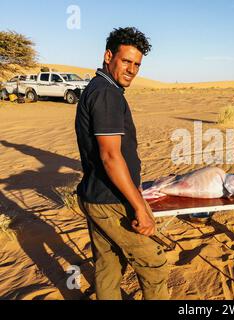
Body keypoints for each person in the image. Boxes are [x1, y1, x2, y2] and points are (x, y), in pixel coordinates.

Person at [75, 27, 169, 300]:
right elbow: (110, 156)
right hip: (110, 200)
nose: (132, 69)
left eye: (137, 64)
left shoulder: (101, 88)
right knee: (154, 265)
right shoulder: (106, 94)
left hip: (97, 195)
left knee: (108, 266)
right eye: (126, 61)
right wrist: (139, 205)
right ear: (108, 56)